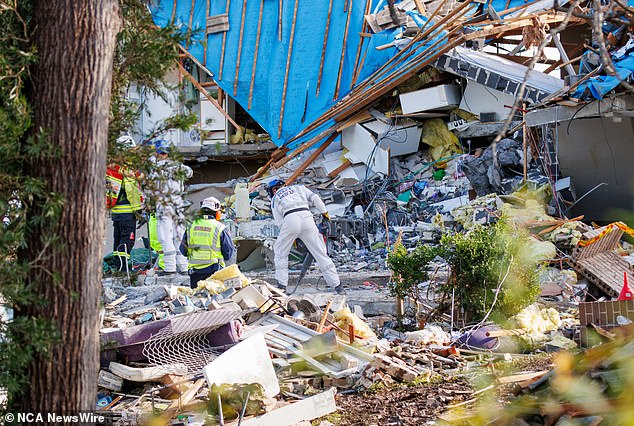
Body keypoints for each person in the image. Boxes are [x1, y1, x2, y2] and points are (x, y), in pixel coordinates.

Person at [268, 179, 343, 294]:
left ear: (274, 190)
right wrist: (325, 214)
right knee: (320, 253)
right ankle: (337, 286)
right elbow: (316, 199)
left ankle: (282, 286)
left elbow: (279, 223)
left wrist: (292, 237)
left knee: (280, 252)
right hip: (307, 218)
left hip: (290, 219)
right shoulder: (299, 187)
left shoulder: (275, 198)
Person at [147, 139, 193, 275]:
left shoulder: (155, 168)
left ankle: (170, 268)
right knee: (179, 235)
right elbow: (189, 173)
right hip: (178, 205)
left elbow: (149, 189)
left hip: (164, 205)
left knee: (164, 236)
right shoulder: (177, 166)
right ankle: (184, 267)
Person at [180, 197, 235, 289]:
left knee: (197, 298)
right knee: (214, 299)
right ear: (216, 212)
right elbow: (228, 254)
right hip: (214, 272)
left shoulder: (191, 226)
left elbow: (183, 251)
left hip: (195, 273)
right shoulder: (220, 228)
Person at [106, 136, 143, 272]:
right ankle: (123, 270)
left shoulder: (111, 167)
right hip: (127, 212)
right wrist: (139, 210)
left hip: (116, 213)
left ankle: (119, 267)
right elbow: (132, 190)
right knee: (127, 241)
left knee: (118, 241)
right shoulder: (127, 169)